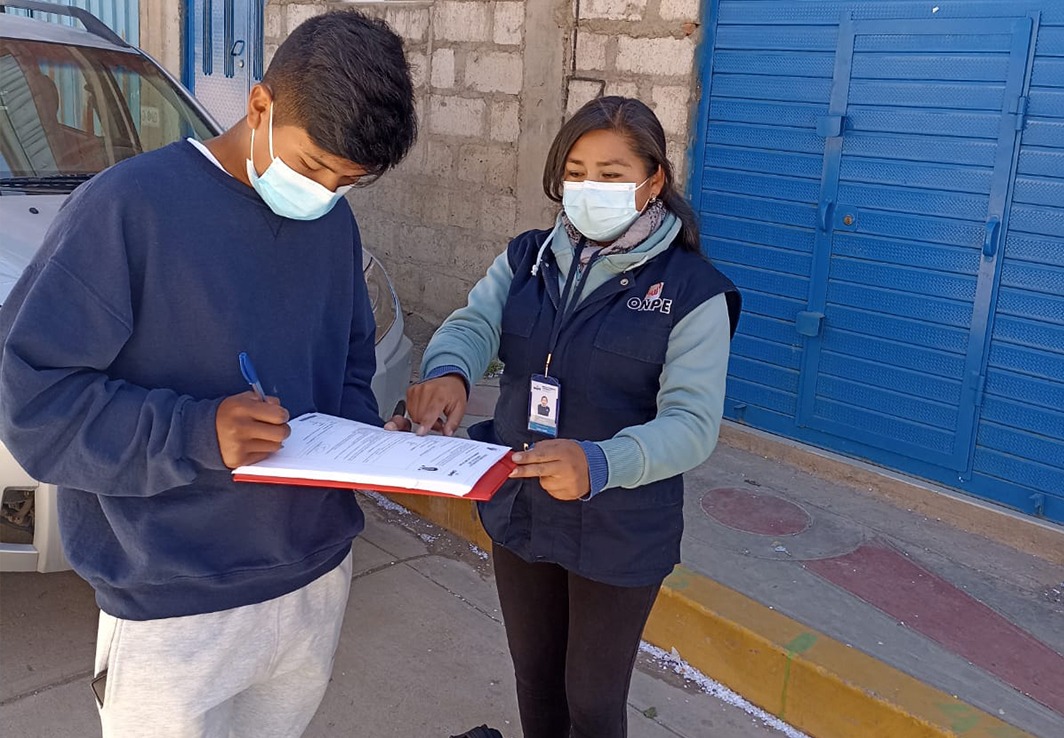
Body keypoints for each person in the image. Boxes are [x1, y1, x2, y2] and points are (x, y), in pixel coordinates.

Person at [0, 11, 416, 738]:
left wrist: (369, 441)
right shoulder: (129, 209)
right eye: (313, 166)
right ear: (260, 106)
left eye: (349, 182)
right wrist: (198, 431)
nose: (325, 192)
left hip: (314, 578)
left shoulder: (332, 224)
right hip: (173, 603)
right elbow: (34, 402)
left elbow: (349, 362)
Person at [406, 97, 741, 738]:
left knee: (591, 701)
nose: (590, 188)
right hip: (522, 503)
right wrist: (449, 371)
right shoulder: (528, 259)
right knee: (535, 680)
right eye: (577, 172)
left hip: (620, 527)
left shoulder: (693, 291)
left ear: (653, 182)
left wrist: (600, 461)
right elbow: (475, 323)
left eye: (612, 175)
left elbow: (693, 423)